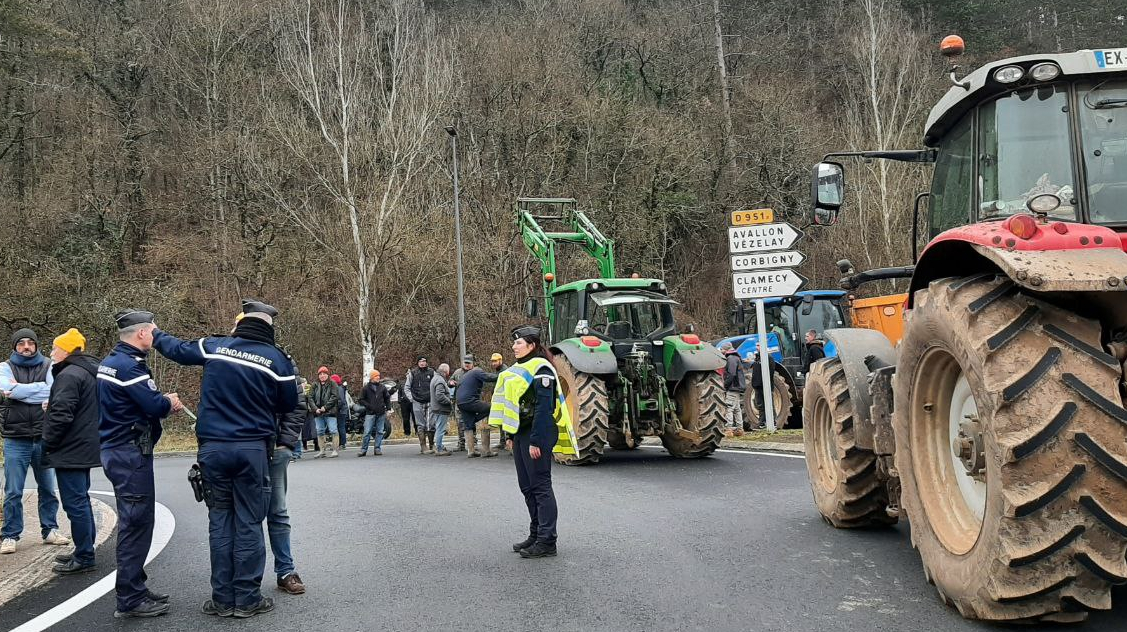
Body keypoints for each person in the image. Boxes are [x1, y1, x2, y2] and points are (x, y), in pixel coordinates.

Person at [151, 299, 297, 618]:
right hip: (251, 449)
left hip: (213, 449)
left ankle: (221, 598)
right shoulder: (277, 360)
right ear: (268, 328)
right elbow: (288, 403)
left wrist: (155, 333)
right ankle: (246, 599)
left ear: (240, 324)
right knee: (248, 521)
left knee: (220, 520)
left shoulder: (215, 346)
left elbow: (177, 349)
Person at [98, 310, 179, 618]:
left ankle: (136, 587)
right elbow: (152, 405)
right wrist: (168, 401)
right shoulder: (129, 367)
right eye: (154, 332)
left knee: (137, 521)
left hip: (118, 450)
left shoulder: (111, 361)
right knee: (136, 524)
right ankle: (130, 597)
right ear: (143, 334)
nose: (156, 336)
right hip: (129, 454)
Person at [489, 326, 578, 559]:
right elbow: (514, 404)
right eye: (514, 342)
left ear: (532, 345)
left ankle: (547, 541)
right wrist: (510, 435)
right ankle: (536, 533)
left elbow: (542, 408)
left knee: (540, 487)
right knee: (526, 486)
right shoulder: (519, 369)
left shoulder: (542, 369)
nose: (514, 346)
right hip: (521, 433)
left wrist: (536, 441)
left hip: (538, 433)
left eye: (518, 343)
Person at [1, 327, 68, 555]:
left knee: (48, 488)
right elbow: (6, 389)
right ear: (15, 346)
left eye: (30, 342)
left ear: (37, 345)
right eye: (21, 343)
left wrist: (19, 390)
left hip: (44, 436)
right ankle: (10, 535)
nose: (26, 347)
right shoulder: (5, 367)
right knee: (12, 491)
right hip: (15, 438)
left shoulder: (49, 365)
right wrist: (40, 390)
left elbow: (53, 392)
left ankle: (50, 530)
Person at [41, 329, 100, 574]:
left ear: (66, 350)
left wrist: (48, 442)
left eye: (55, 348)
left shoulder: (69, 375)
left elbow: (61, 415)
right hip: (85, 444)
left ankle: (85, 556)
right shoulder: (88, 371)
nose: (51, 352)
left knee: (75, 503)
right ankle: (84, 549)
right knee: (81, 500)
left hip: (71, 447)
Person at [271, 367, 307, 596]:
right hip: (246, 448)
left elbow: (297, 402)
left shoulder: (281, 362)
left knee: (278, 512)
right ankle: (246, 579)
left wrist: (285, 442)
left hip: (276, 448)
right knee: (246, 518)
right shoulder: (231, 356)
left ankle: (285, 571)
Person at [456, 353, 503, 458]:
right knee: (491, 407)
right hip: (469, 400)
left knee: (468, 426)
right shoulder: (477, 371)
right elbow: (489, 377)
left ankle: (471, 451)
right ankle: (486, 451)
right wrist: (503, 374)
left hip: (460, 402)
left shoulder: (465, 375)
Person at [405, 357, 435, 454]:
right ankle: (423, 446)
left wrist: (435, 397)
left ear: (426, 362)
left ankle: (432, 444)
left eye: (424, 361)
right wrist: (412, 399)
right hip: (417, 401)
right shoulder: (413, 373)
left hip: (430, 401)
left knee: (431, 424)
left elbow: (436, 385)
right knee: (420, 424)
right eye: (420, 361)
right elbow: (407, 387)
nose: (422, 363)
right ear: (417, 363)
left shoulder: (432, 372)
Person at [358, 370, 391, 457]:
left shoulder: (382, 387)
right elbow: (361, 399)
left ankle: (377, 448)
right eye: (376, 376)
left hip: (381, 412)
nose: (378, 377)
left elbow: (387, 398)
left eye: (379, 376)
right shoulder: (365, 388)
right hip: (370, 413)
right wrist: (369, 406)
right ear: (372, 377)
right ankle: (363, 449)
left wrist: (388, 409)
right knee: (367, 432)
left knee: (380, 431)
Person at [309, 367, 339, 458]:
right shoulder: (314, 384)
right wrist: (315, 409)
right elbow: (310, 398)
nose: (322, 376)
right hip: (318, 412)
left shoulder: (333, 384)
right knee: (319, 431)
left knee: (333, 430)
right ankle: (322, 450)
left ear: (327, 374)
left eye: (324, 374)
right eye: (320, 374)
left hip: (330, 411)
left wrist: (325, 407)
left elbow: (334, 397)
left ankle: (335, 450)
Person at [749, 345, 782, 430]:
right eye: (756, 345)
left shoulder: (769, 358)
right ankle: (762, 423)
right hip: (757, 386)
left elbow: (771, 371)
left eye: (759, 345)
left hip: (765, 385)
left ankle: (773, 423)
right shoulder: (757, 358)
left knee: (769, 404)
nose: (757, 347)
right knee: (760, 405)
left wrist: (765, 383)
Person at [719, 341, 745, 436]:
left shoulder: (731, 358)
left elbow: (731, 374)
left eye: (721, 349)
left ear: (725, 349)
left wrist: (725, 385)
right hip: (737, 387)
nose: (721, 351)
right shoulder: (735, 357)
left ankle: (728, 429)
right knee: (737, 408)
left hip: (733, 387)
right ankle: (739, 429)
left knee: (728, 407)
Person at [450, 355, 475, 452]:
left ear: (472, 364)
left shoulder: (475, 372)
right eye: (465, 363)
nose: (467, 365)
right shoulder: (458, 372)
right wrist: (451, 383)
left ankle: (473, 443)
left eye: (469, 363)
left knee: (471, 422)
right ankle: (461, 444)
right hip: (459, 401)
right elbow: (450, 381)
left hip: (471, 401)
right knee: (460, 422)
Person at [429, 364, 453, 456]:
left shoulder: (435, 378)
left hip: (436, 407)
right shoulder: (440, 380)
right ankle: (439, 448)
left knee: (439, 427)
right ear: (445, 371)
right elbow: (439, 395)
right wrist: (449, 401)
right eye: (448, 371)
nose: (448, 373)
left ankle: (439, 445)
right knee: (440, 429)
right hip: (441, 408)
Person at [331, 374, 351, 450]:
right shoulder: (341, 388)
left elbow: (341, 401)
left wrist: (336, 409)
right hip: (342, 410)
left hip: (340, 410)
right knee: (340, 427)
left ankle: (342, 443)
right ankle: (340, 443)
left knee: (340, 427)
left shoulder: (338, 389)